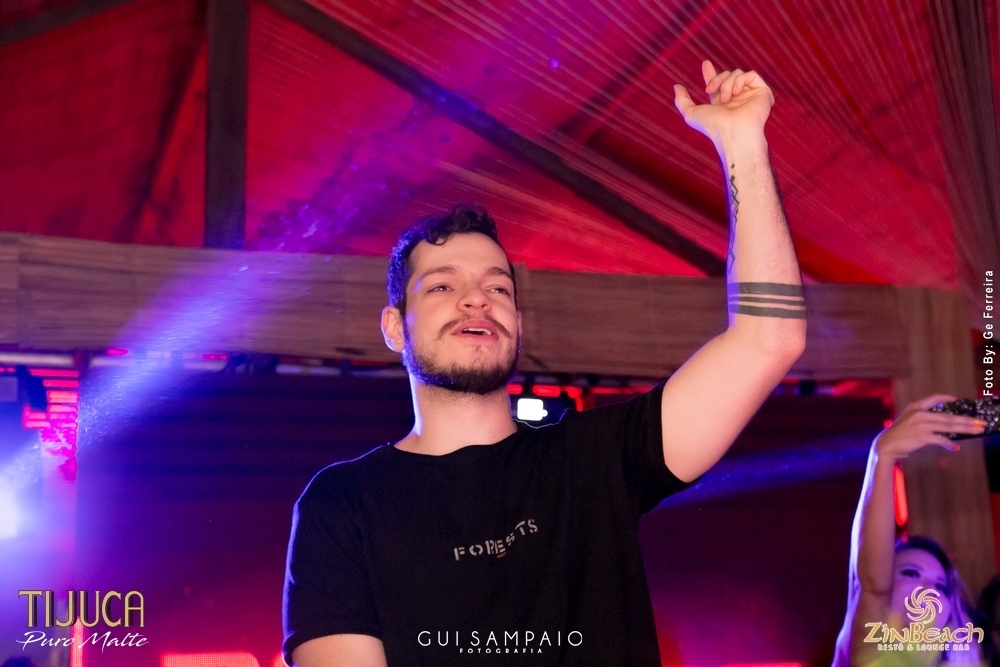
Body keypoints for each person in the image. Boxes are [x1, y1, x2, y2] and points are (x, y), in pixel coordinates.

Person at [282, 60, 807, 667]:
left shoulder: (593, 460)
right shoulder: (344, 503)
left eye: (497, 287)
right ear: (396, 328)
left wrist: (742, 143)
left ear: (518, 323)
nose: (477, 299)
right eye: (443, 286)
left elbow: (768, 339)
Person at [833, 395, 988, 666]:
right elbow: (873, 586)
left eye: (941, 587)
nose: (928, 590)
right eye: (911, 573)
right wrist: (882, 457)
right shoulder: (870, 649)